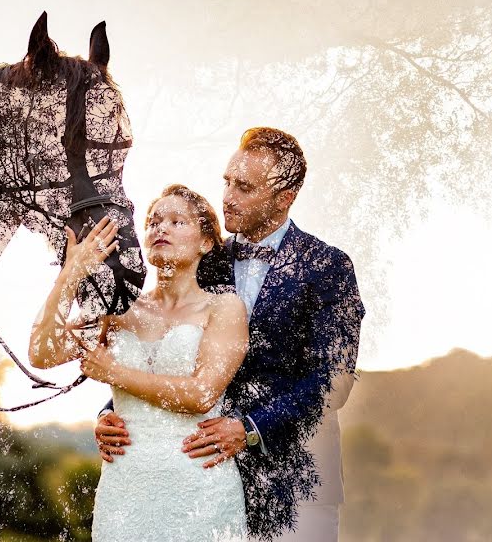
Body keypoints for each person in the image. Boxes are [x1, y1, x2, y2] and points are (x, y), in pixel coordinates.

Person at [95, 127, 365, 540]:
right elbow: (156, 340)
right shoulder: (201, 256)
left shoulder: (327, 266)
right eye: (226, 181)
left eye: (244, 187)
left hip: (295, 482)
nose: (227, 197)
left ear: (285, 196)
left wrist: (251, 426)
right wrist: (111, 414)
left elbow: (334, 381)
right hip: (201, 483)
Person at [29, 186, 250, 541]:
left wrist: (114, 373)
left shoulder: (224, 308)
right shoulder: (119, 312)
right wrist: (70, 274)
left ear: (206, 242)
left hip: (201, 488)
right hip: (125, 491)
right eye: (153, 222)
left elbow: (201, 393)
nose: (161, 228)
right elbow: (43, 352)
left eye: (177, 221)